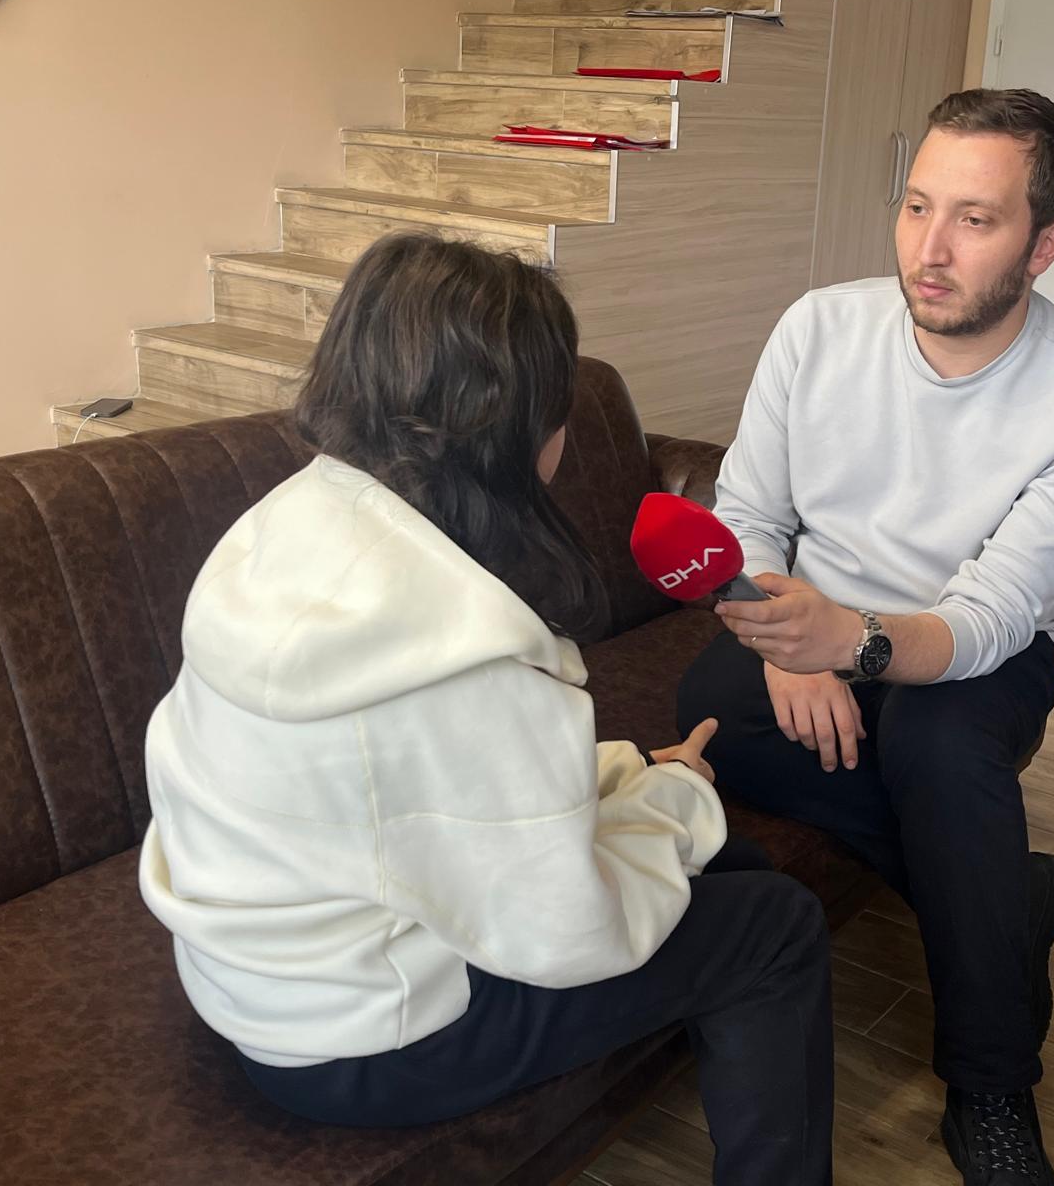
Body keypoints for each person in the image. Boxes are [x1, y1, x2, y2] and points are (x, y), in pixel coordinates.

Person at [138, 233, 835, 1185]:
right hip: (369, 1041)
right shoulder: (463, 651)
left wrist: (639, 780)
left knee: (722, 859)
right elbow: (565, 935)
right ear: (520, 430)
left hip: (251, 978)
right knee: (774, 925)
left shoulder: (279, 527)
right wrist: (674, 799)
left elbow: (406, 803)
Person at [677, 88, 1054, 1186]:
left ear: (1044, 245)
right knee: (710, 713)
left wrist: (845, 644)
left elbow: (989, 616)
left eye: (974, 220)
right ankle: (1005, 899)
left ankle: (992, 1088)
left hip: (970, 653)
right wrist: (785, 639)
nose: (928, 251)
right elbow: (746, 517)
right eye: (916, 206)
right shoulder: (817, 329)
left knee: (938, 747)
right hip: (807, 619)